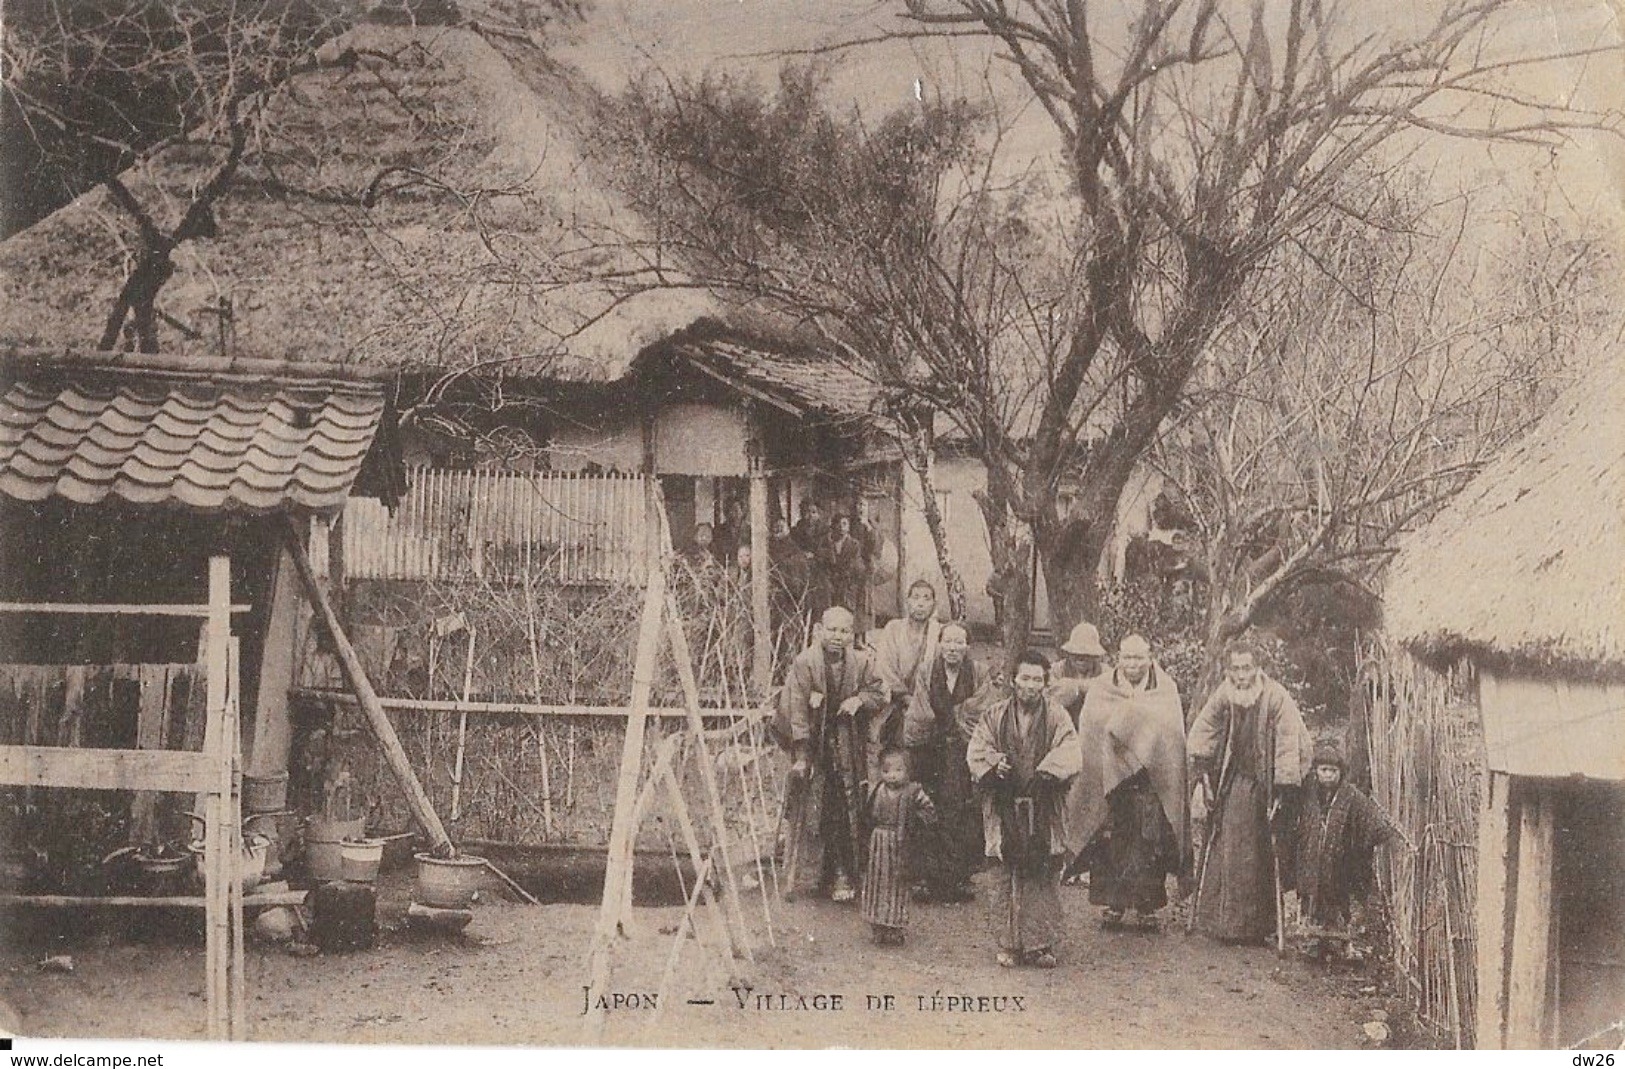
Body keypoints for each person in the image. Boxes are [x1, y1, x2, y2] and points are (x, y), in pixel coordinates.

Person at [1186, 639, 1313, 945]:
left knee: (1261, 854)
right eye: (1235, 669)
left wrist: (1283, 788)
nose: (1241, 675)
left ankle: (1259, 926)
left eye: (1246, 668)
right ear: (1228, 670)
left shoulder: (1275, 697)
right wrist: (1204, 770)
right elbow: (1203, 730)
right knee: (1230, 849)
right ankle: (1228, 924)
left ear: (1257, 668)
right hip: (1235, 783)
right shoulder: (1225, 695)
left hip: (1266, 786)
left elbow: (1288, 741)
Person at [967, 650, 1083, 968]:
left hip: (1043, 803)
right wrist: (994, 763)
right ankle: (1008, 943)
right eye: (1024, 678)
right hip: (1004, 802)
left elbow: (1071, 749)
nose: (1029, 686)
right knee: (1003, 872)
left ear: (1045, 683)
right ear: (1013, 680)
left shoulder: (1058, 716)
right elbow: (978, 747)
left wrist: (1047, 771)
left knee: (1041, 870)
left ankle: (1038, 943)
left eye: (1037, 679)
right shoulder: (995, 714)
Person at [1065, 634, 1188, 930]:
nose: (1133, 664)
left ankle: (1147, 908)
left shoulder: (1165, 688)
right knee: (1112, 843)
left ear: (1149, 657)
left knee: (1149, 844)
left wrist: (1142, 746)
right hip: (1111, 781)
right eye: (1127, 658)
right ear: (1118, 658)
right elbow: (1092, 730)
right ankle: (1114, 904)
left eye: (1139, 658)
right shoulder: (1102, 688)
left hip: (1149, 781)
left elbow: (1172, 735)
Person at [779, 606, 888, 902]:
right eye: (832, 630)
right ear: (819, 630)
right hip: (815, 744)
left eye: (844, 631)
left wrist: (859, 700)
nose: (838, 637)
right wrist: (801, 753)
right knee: (813, 806)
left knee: (846, 806)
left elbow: (880, 694)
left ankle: (844, 873)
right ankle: (808, 875)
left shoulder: (863, 662)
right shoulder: (806, 662)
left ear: (852, 635)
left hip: (848, 745)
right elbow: (796, 707)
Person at [902, 621, 993, 903]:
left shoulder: (978, 672)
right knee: (927, 804)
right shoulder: (927, 669)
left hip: (962, 749)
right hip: (930, 748)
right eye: (948, 642)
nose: (953, 648)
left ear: (967, 646)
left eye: (959, 642)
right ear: (940, 644)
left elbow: (982, 708)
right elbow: (920, 708)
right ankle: (924, 878)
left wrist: (954, 716)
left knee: (959, 808)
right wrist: (938, 726)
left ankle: (956, 878)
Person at [1292, 740, 1403, 962]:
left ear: (1341, 773)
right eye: (1323, 770)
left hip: (1339, 862)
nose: (1328, 776)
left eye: (1333, 771)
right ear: (1315, 771)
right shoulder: (1307, 793)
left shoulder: (1351, 796)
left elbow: (1371, 819)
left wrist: (1385, 834)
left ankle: (1339, 942)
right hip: (1312, 857)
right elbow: (1291, 814)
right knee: (1312, 900)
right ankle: (1314, 941)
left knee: (1337, 901)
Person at [859, 747, 938, 946]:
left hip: (900, 843)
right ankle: (877, 924)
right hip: (879, 843)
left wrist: (914, 820)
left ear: (907, 771)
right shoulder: (877, 790)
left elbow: (930, 812)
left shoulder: (913, 792)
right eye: (886, 771)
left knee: (897, 884)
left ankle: (894, 926)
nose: (892, 776)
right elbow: (867, 815)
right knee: (876, 883)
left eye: (897, 771)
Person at [873, 580, 942, 764]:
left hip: (927, 704)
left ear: (934, 604)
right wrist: (904, 697)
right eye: (916, 597)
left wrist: (921, 702)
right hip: (895, 701)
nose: (920, 603)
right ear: (907, 601)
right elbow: (884, 667)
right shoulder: (893, 629)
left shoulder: (938, 632)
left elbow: (940, 671)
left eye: (927, 598)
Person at [1050, 621, 1107, 724]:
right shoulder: (1057, 670)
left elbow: (1110, 689)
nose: (1081, 658)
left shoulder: (1105, 672)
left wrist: (1076, 685)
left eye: (1087, 654)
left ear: (1095, 656)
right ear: (1069, 653)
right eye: (1076, 654)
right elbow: (1048, 699)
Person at [827, 515, 868, 629]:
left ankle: (855, 637)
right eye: (838, 524)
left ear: (848, 527)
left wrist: (846, 576)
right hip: (832, 582)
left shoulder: (854, 544)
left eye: (844, 524)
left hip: (849, 582)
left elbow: (855, 564)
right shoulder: (828, 544)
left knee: (850, 608)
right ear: (833, 526)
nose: (841, 527)